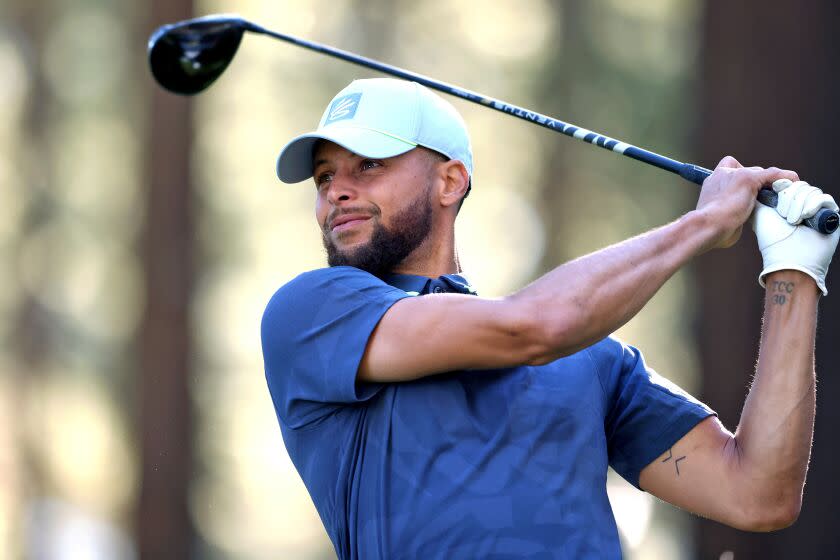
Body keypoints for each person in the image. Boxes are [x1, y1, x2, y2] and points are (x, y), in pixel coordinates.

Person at [261, 78, 839, 558]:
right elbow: (531, 327)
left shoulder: (591, 359)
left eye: (367, 165)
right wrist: (704, 224)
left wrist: (794, 269)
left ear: (450, 180)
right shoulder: (314, 314)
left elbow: (759, 494)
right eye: (324, 177)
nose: (336, 192)